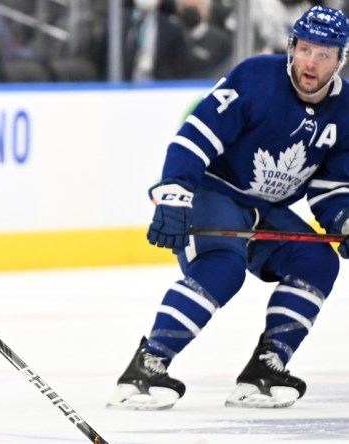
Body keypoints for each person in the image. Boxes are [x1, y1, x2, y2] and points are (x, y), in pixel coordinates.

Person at [107, 5, 349, 410]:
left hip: (265, 208)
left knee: (318, 262)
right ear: (292, 47)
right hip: (213, 191)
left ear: (340, 61)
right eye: (306, 49)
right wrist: (174, 193)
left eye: (324, 54)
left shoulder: (345, 111)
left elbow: (331, 185)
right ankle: (147, 366)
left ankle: (265, 368)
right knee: (223, 266)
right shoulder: (256, 77)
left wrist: (344, 218)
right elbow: (196, 135)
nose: (311, 62)